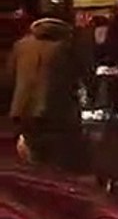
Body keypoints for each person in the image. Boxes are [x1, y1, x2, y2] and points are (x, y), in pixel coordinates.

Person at [5, 9, 83, 170]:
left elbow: (9, 76)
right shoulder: (65, 47)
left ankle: (35, 179)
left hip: (22, 108)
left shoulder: (21, 45)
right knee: (54, 153)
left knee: (31, 147)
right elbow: (78, 75)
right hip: (53, 109)